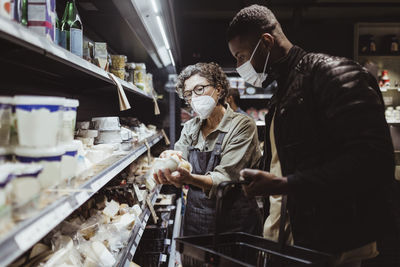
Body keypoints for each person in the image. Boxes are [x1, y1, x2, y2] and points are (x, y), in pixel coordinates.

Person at [227, 4, 396, 267]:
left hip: (332, 245)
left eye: (241, 56)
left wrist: (286, 184)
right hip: (295, 242)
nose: (239, 66)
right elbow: (296, 158)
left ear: (267, 41)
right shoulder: (283, 92)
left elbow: (373, 160)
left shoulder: (330, 74)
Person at [153, 62, 262, 236]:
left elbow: (225, 178)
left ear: (218, 89)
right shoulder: (190, 127)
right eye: (188, 94)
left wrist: (188, 178)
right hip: (196, 220)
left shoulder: (242, 125)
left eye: (199, 89)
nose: (194, 98)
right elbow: (181, 160)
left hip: (235, 222)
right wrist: (170, 164)